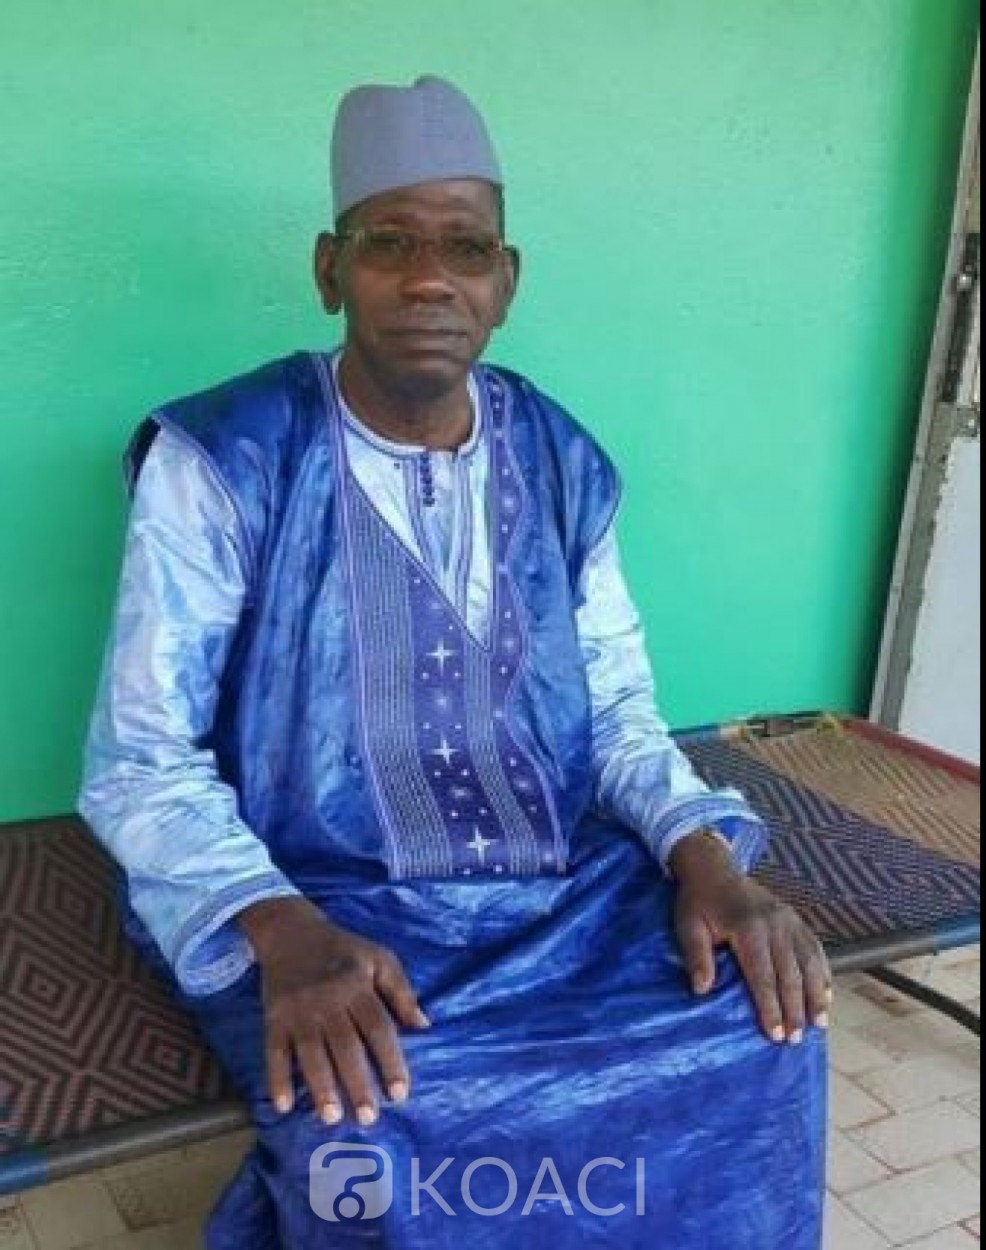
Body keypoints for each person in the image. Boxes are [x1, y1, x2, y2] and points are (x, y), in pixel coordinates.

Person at [80, 75, 829, 1249]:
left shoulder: (563, 459)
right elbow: (139, 757)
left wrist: (708, 864)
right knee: (368, 1105)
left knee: (760, 1022)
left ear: (504, 280)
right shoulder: (225, 457)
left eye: (464, 247)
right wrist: (280, 928)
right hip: (311, 895)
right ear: (329, 269)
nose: (428, 278)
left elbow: (618, 713)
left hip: (558, 885)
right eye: (389, 242)